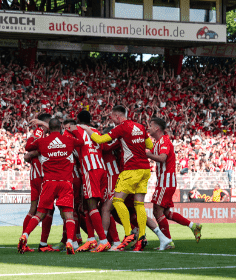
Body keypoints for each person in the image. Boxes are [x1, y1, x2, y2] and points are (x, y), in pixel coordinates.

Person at [86, 105, 154, 252]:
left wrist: (87, 130)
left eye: (112, 117)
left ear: (117, 116)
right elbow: (149, 145)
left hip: (131, 170)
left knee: (117, 201)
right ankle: (141, 237)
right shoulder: (140, 127)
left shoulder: (122, 127)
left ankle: (128, 234)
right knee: (139, 205)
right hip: (145, 169)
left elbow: (100, 139)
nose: (112, 120)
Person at [20, 118, 83, 255]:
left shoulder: (42, 142)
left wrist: (34, 135)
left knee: (39, 213)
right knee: (69, 215)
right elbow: (81, 142)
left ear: (49, 128)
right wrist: (74, 131)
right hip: (65, 183)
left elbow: (28, 147)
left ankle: (25, 235)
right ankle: (69, 242)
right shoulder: (68, 140)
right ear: (60, 127)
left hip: (48, 183)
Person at [146, 117, 202, 249]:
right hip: (165, 181)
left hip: (166, 181)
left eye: (150, 125)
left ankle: (167, 241)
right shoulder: (158, 142)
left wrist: (147, 154)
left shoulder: (164, 141)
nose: (148, 128)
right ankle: (194, 226)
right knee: (166, 213)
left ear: (156, 128)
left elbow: (162, 158)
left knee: (157, 211)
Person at [67, 110, 110, 253]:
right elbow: (103, 147)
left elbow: (63, 141)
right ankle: (91, 239)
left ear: (77, 120)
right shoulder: (96, 131)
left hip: (90, 169)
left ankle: (103, 240)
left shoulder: (75, 129)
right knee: (87, 207)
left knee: (91, 207)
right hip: (101, 168)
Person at [21, 113, 58, 253]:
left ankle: (24, 240)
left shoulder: (39, 132)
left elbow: (29, 152)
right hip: (42, 175)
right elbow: (31, 148)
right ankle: (42, 243)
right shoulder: (41, 131)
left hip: (35, 175)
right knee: (47, 209)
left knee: (34, 208)